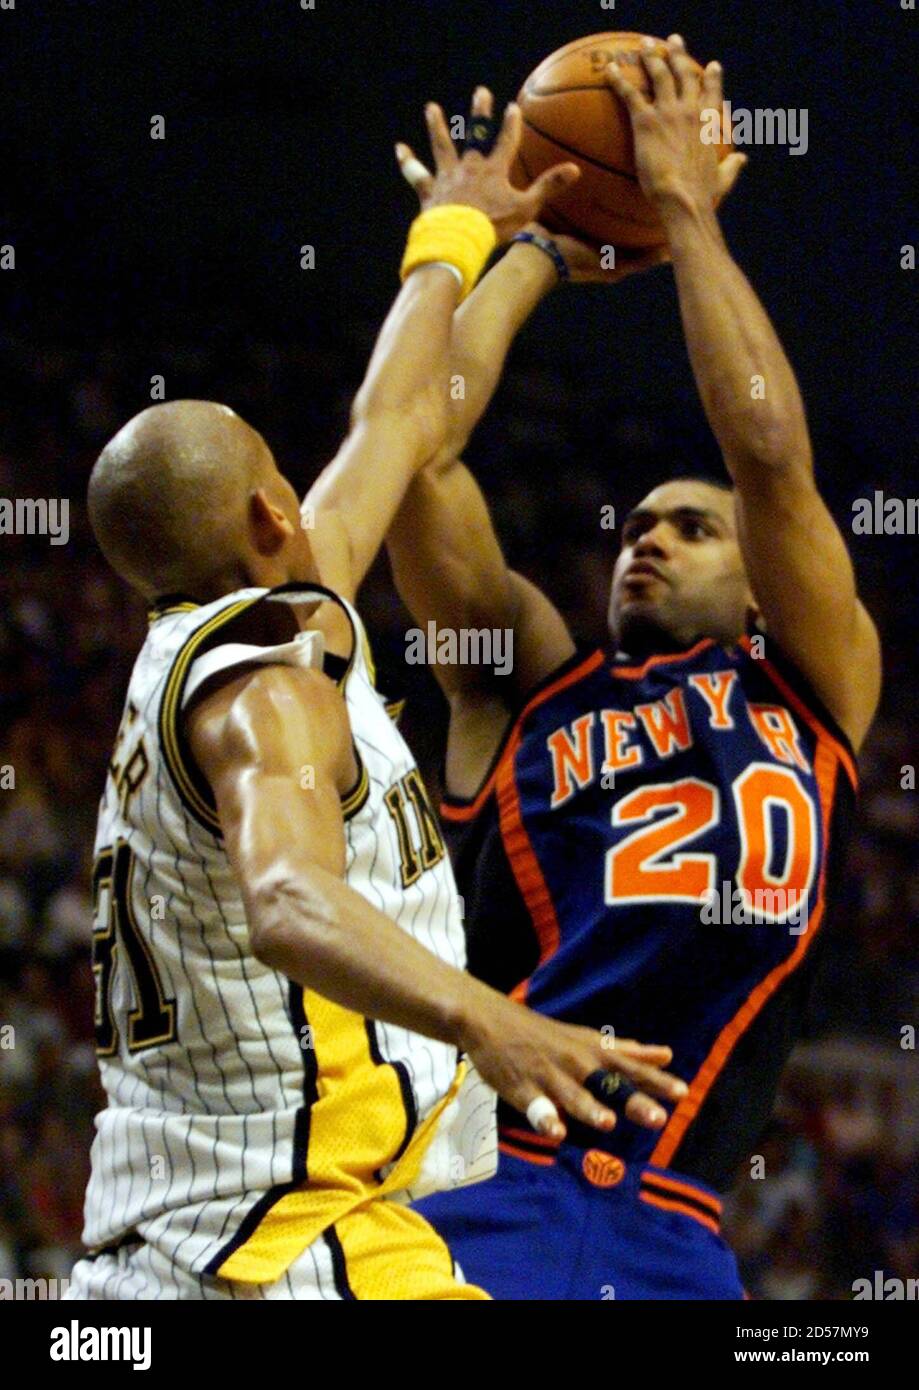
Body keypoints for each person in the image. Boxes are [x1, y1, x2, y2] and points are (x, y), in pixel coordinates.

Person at [63, 91, 683, 1302]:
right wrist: (487, 1021)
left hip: (181, 1247)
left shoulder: (244, 618)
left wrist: (477, 241)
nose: (313, 487)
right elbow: (290, 899)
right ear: (264, 514)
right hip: (284, 1240)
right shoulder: (265, 691)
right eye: (283, 473)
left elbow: (397, 418)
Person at [386, 39, 882, 1298]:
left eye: (688, 525)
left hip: (677, 1232)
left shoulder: (814, 687)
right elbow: (416, 459)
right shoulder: (522, 685)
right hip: (478, 1187)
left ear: (763, 581)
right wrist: (531, 254)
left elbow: (768, 453)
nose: (645, 538)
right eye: (634, 526)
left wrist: (676, 207)